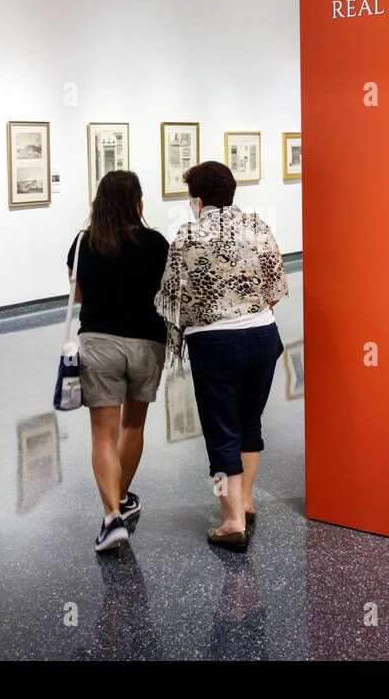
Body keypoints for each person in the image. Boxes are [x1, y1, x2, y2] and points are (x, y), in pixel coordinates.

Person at [155, 161, 288, 551]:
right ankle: (245, 502)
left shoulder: (186, 237)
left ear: (196, 200)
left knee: (220, 434)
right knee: (250, 423)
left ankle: (231, 522)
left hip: (214, 345)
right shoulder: (258, 227)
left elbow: (170, 301)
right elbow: (276, 287)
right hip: (263, 336)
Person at [66, 171, 169, 554]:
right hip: (146, 343)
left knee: (102, 436)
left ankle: (112, 516)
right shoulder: (157, 242)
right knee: (133, 426)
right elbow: (165, 291)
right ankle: (121, 499)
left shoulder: (84, 242)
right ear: (137, 203)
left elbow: (77, 295)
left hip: (99, 344)